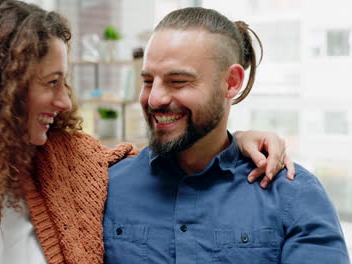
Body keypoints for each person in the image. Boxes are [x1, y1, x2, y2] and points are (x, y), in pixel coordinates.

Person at [0, 1, 293, 263]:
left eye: (66, 82)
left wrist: (234, 139)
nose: (65, 102)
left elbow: (166, 154)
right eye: (51, 83)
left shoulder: (61, 163)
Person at [104, 7, 350, 264]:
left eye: (177, 81)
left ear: (231, 82)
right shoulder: (106, 187)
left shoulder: (293, 194)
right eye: (147, 81)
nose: (154, 98)